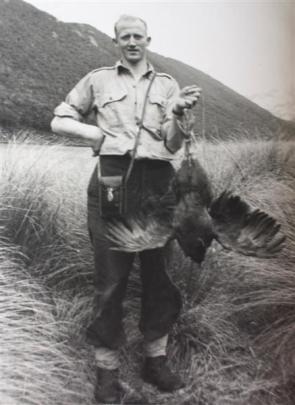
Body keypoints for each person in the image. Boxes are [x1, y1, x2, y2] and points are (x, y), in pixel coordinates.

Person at [51, 14, 201, 404]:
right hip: (111, 181)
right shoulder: (97, 79)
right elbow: (59, 118)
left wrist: (180, 116)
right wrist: (95, 133)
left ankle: (156, 361)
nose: (132, 42)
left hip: (158, 184)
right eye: (124, 37)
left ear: (148, 40)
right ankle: (107, 370)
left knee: (160, 276)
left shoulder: (168, 85)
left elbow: (171, 146)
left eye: (138, 36)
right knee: (111, 279)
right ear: (116, 41)